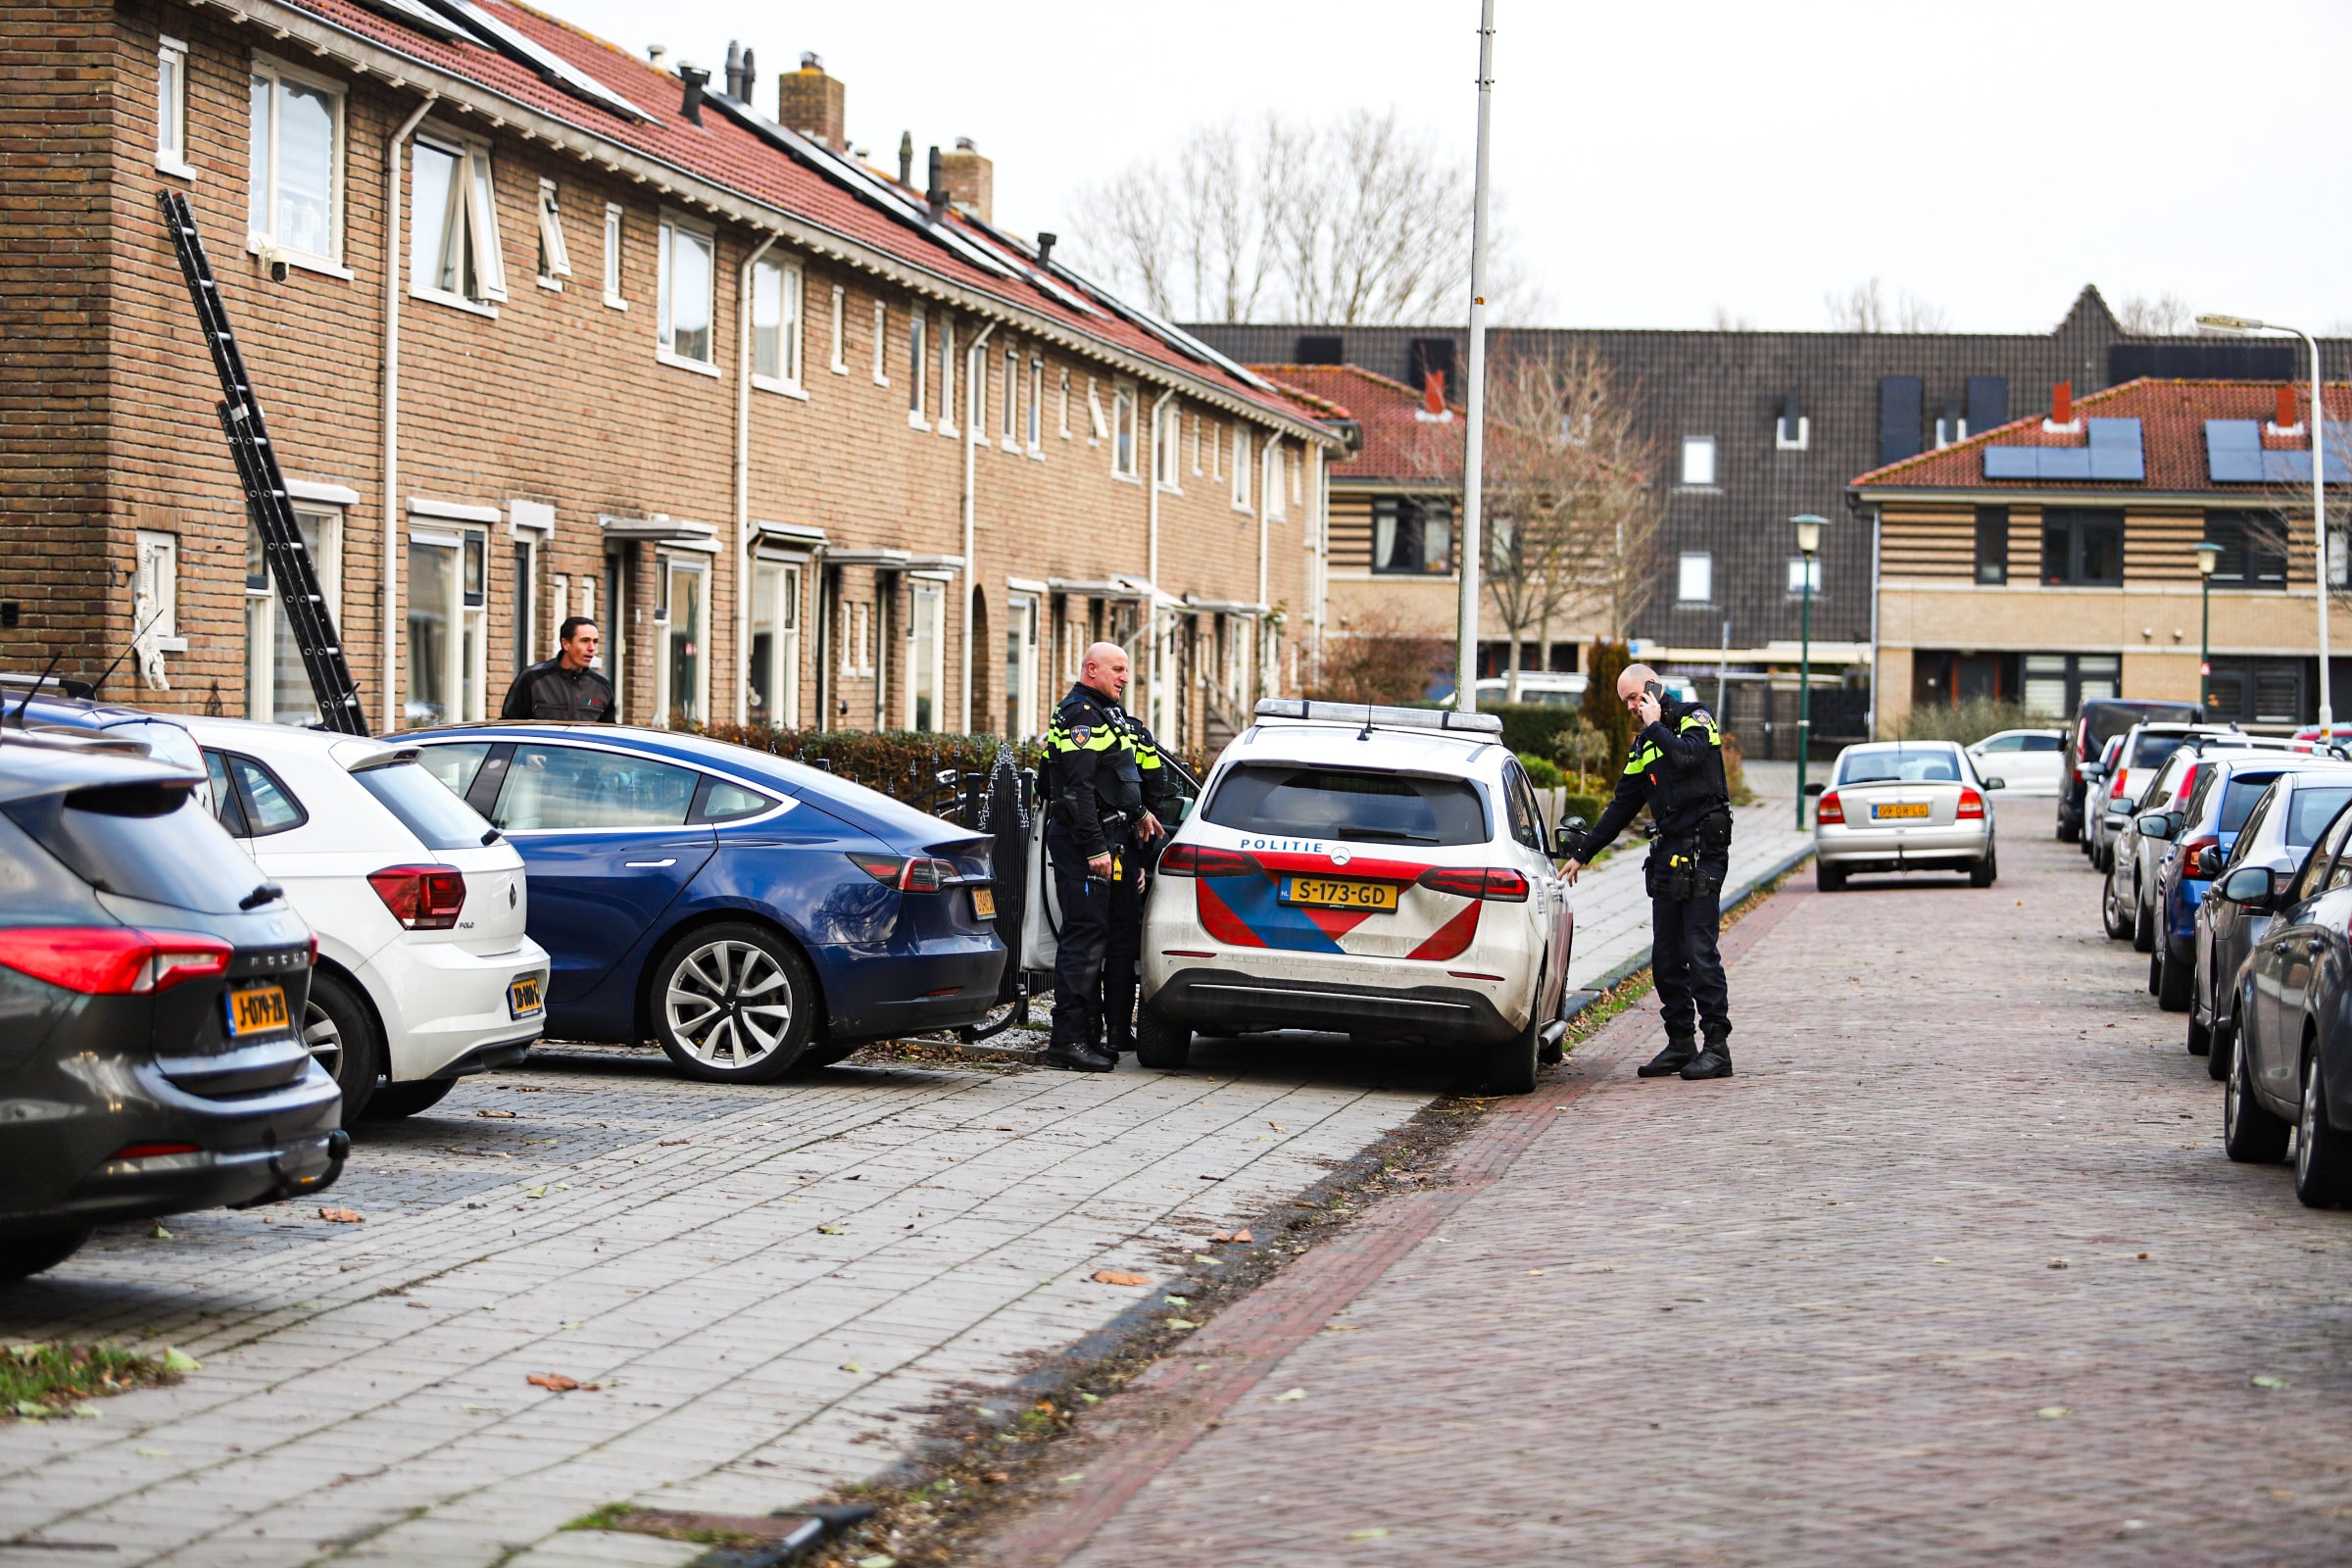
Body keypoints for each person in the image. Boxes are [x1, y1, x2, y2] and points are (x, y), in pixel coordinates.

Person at [1559, 664, 1737, 1080]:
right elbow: (1621, 806)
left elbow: (1688, 756)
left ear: (1654, 687)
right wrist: (1583, 853)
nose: (1631, 707)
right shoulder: (1644, 746)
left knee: (1699, 950)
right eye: (1626, 701)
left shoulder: (1697, 718)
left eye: (1635, 697)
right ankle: (1680, 1043)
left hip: (1703, 852)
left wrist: (1656, 725)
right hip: (1669, 853)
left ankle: (1717, 1047)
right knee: (1666, 957)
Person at [1041, 641, 1172, 1071]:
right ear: (1091, 668)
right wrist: (1096, 846)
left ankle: (1090, 1036)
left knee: (1098, 937)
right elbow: (1076, 790)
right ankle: (1066, 1041)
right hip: (1084, 842)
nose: (1125, 677)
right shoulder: (1081, 714)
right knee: (1083, 939)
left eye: (1126, 670)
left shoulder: (1102, 714)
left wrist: (1139, 816)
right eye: (1117, 669)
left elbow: (1111, 781)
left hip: (1106, 838)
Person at [501, 616, 616, 723]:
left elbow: (608, 734)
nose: (592, 648)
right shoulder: (533, 679)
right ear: (565, 644)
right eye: (584, 641)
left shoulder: (601, 685)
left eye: (595, 641)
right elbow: (509, 727)